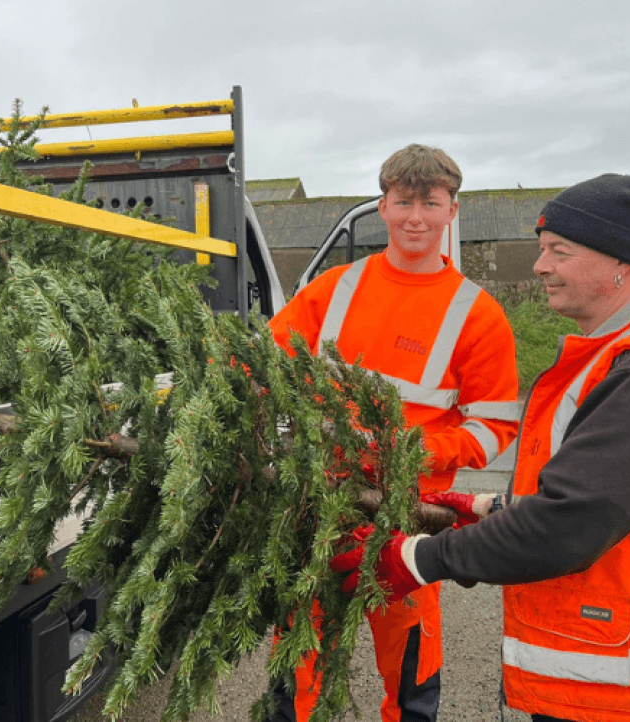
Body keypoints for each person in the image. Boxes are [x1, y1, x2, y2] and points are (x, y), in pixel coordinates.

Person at [333, 173, 630, 721]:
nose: (539, 267)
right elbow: (593, 497)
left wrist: (419, 558)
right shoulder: (605, 355)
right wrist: (489, 510)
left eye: (557, 252)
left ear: (621, 264)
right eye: (542, 251)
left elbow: (570, 523)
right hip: (624, 676)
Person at [266, 144, 521, 722]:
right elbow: (262, 361)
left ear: (452, 211)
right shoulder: (334, 288)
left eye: (430, 203)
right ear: (381, 206)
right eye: (403, 201)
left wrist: (412, 452)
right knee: (297, 678)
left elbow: (495, 425)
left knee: (410, 686)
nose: (415, 217)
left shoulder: (476, 314)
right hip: (318, 511)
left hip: (409, 520)